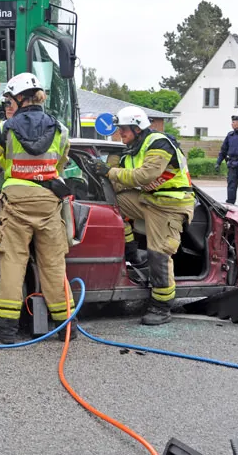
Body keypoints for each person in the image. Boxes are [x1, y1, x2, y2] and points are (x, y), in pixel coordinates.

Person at [0, 72, 73, 344]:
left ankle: (7, 331)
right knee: (53, 264)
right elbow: (61, 165)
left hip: (16, 201)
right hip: (48, 200)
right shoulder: (60, 129)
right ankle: (65, 328)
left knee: (13, 263)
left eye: (10, 99)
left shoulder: (6, 128)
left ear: (18, 98)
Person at [92, 106, 194, 326]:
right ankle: (131, 252)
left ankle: (161, 306)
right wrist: (106, 169)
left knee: (158, 254)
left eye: (124, 130)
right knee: (113, 204)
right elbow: (117, 182)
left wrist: (109, 171)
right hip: (148, 200)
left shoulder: (158, 143)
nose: (120, 134)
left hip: (170, 205)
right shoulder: (130, 150)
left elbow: (145, 175)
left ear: (137, 127)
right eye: (119, 130)